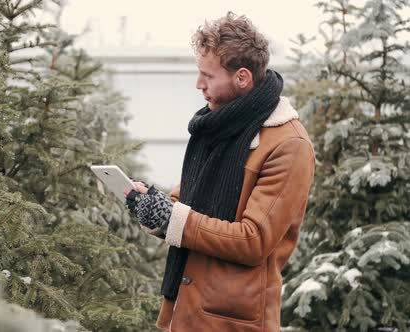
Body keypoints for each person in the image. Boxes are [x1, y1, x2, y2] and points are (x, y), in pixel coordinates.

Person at [124, 12, 315, 332]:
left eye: (207, 76)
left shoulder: (289, 145)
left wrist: (171, 219)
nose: (198, 84)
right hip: (185, 308)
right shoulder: (218, 127)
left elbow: (253, 240)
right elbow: (183, 205)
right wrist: (152, 206)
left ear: (242, 77)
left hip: (232, 321)